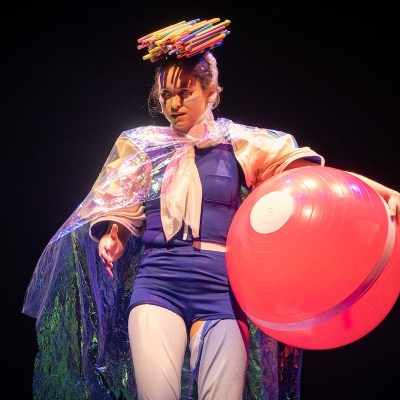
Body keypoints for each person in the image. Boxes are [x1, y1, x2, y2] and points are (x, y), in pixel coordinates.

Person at [23, 18, 400, 400]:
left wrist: (382, 192)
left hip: (221, 289)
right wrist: (113, 234)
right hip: (158, 282)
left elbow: (318, 180)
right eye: (166, 94)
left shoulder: (242, 143)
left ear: (210, 92)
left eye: (185, 92)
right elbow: (118, 201)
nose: (174, 104)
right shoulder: (144, 146)